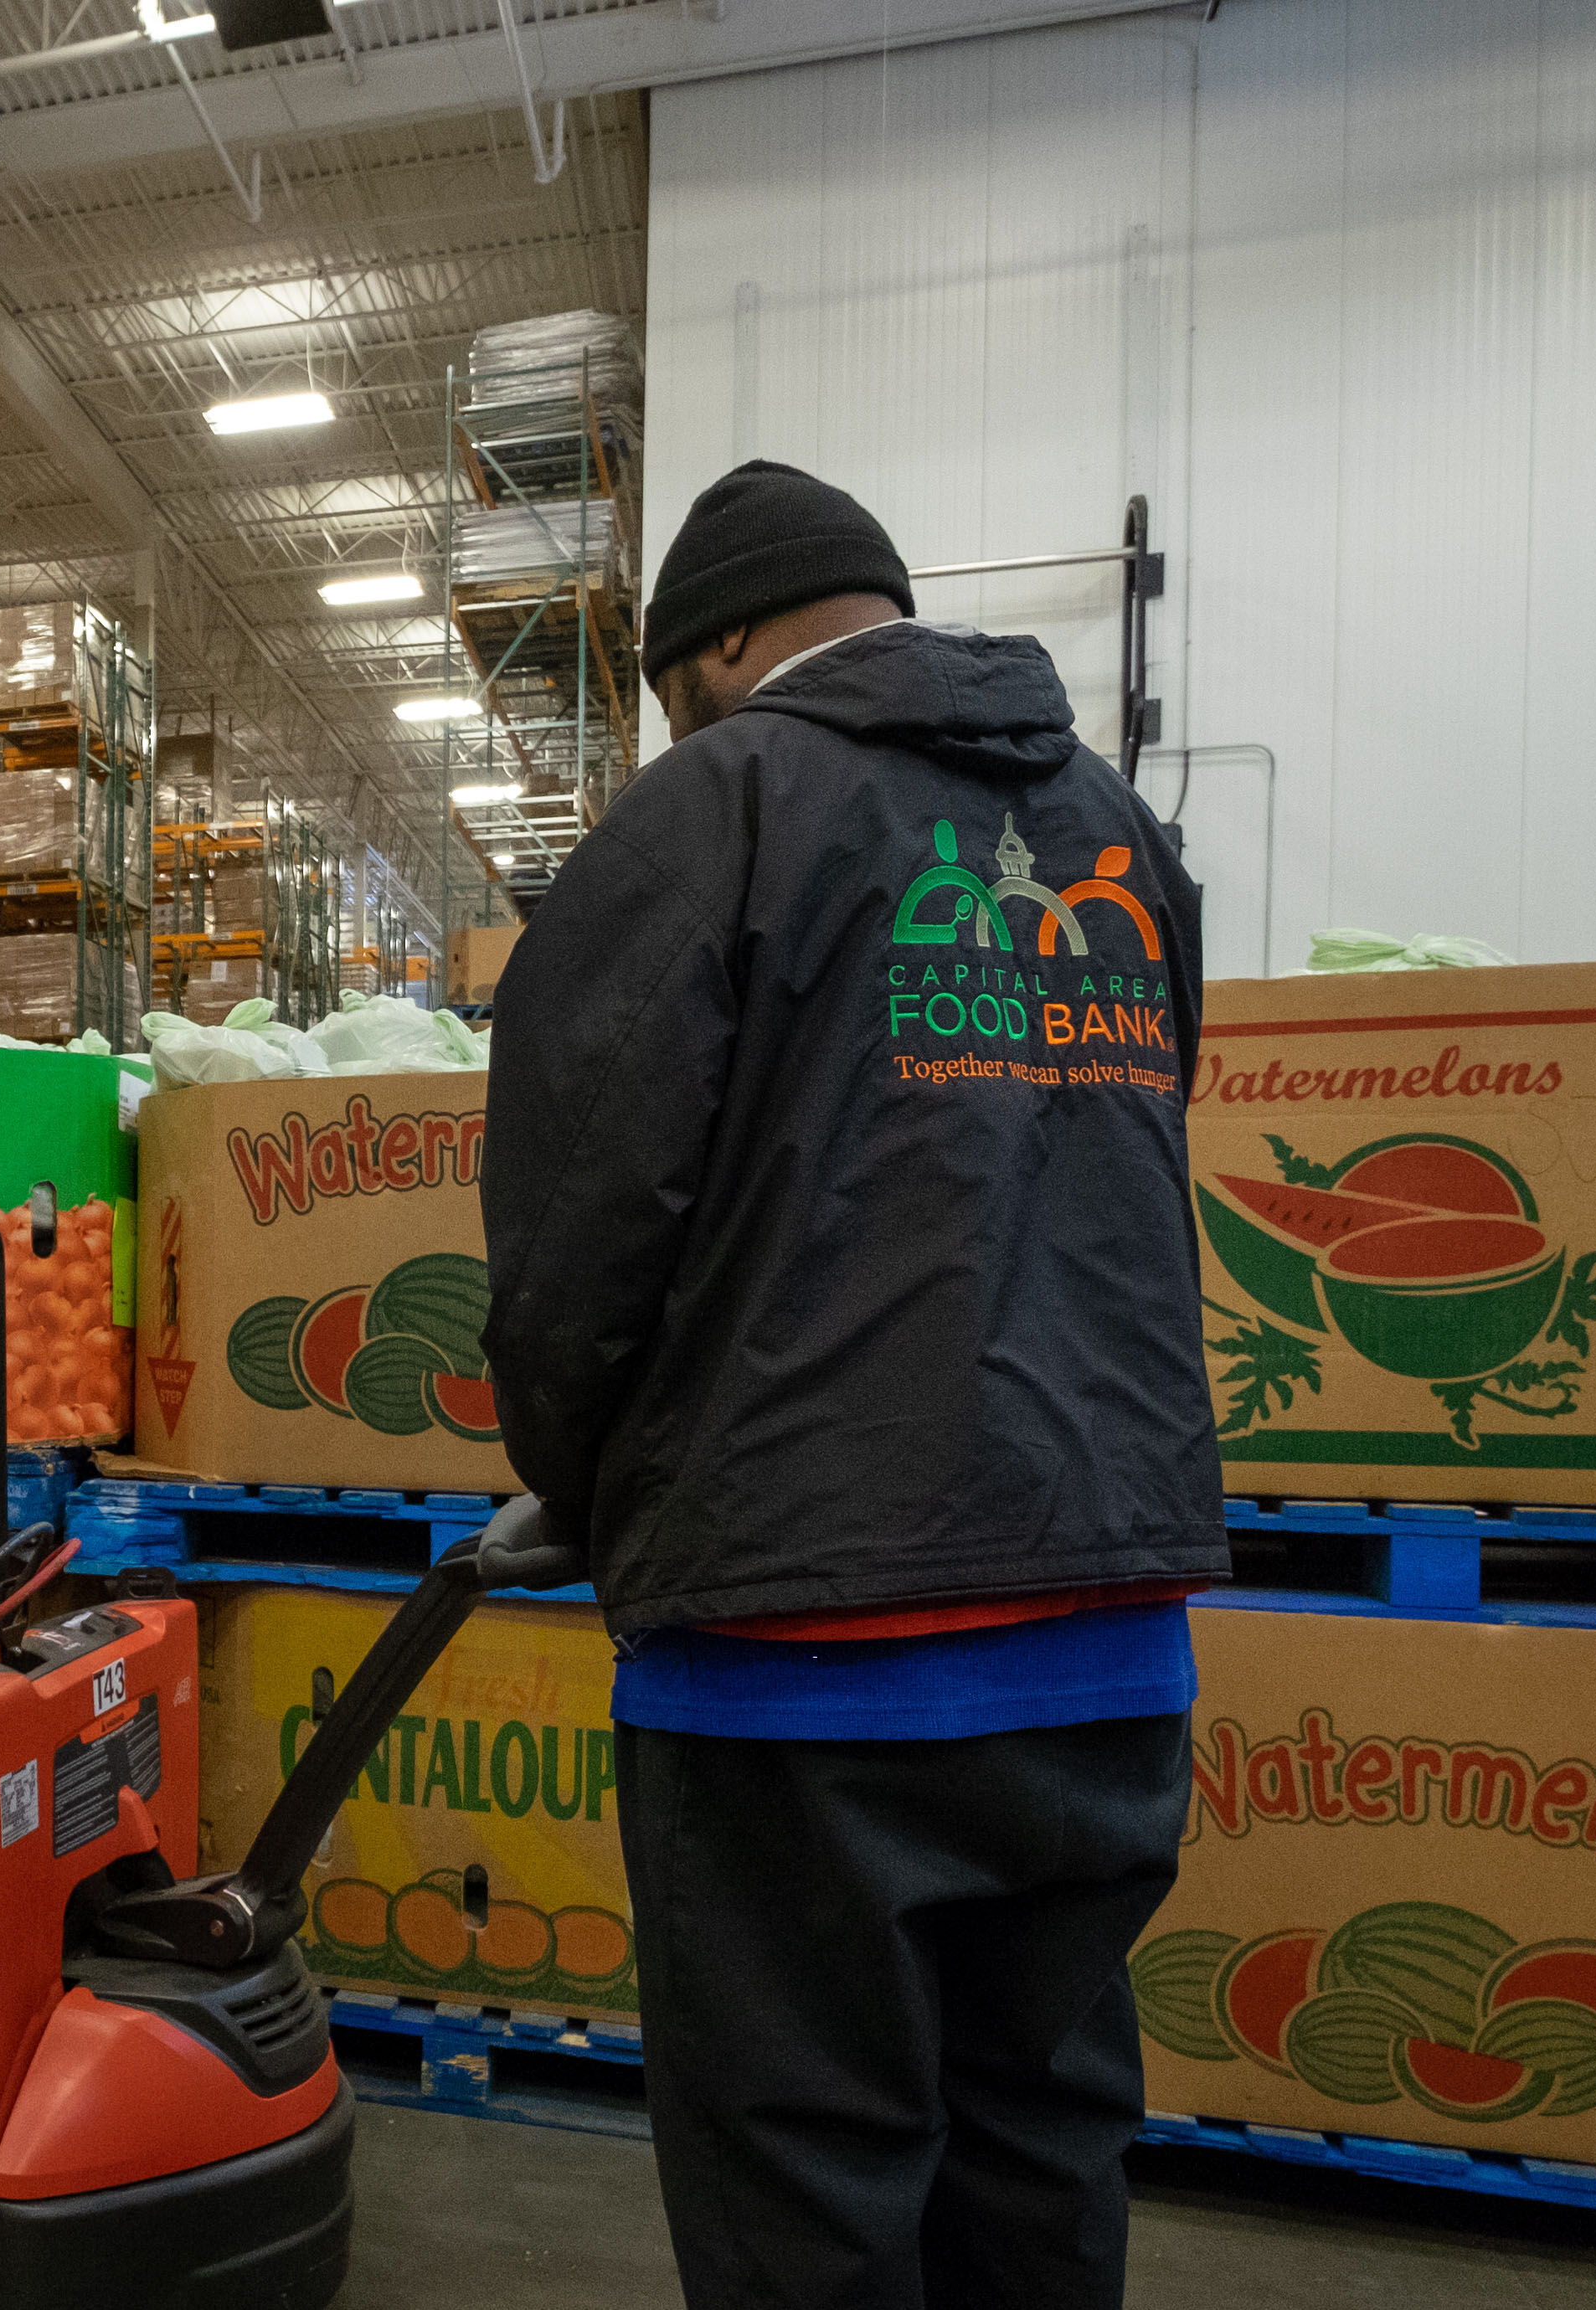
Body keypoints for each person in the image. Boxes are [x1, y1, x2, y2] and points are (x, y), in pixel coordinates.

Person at [471, 461, 1228, 2309]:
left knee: (811, 2199)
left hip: (800, 1672)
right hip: (1104, 1646)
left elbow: (581, 1227)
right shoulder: (1117, 828)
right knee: (1040, 2161)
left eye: (672, 689)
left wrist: (579, 1481)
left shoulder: (715, 809)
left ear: (722, 643)